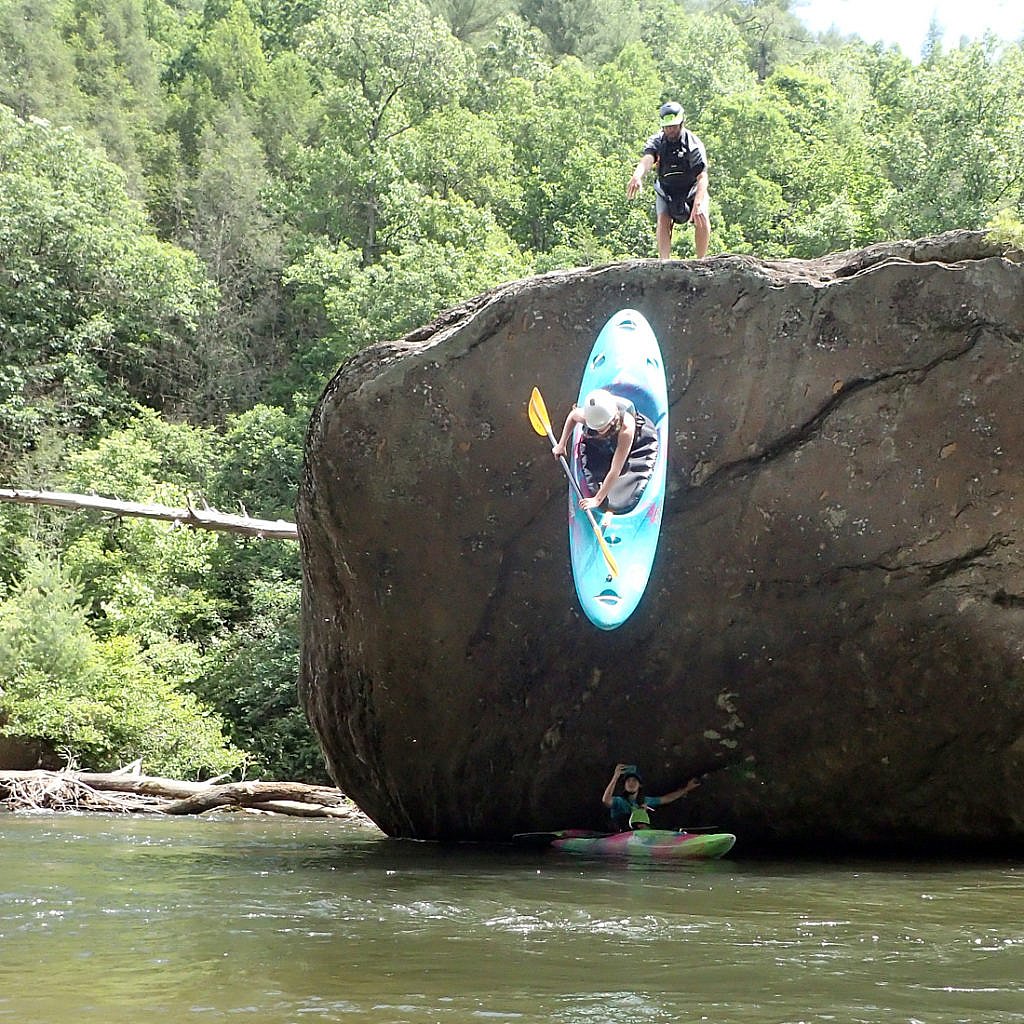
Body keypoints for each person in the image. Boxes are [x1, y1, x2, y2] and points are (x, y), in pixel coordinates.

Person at [551, 388, 659, 514]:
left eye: (602, 428)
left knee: (618, 466)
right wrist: (562, 443)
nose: (599, 431)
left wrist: (598, 499)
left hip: (631, 442)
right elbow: (572, 416)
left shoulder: (626, 428)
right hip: (604, 441)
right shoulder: (587, 416)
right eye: (596, 428)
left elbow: (615, 469)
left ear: (612, 419)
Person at [627, 101, 710, 260]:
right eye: (667, 127)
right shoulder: (657, 140)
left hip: (692, 188)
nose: (670, 130)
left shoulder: (693, 144)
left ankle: (702, 260)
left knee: (702, 216)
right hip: (667, 190)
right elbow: (648, 158)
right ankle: (664, 262)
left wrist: (698, 203)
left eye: (673, 126)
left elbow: (702, 177)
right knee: (663, 219)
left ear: (681, 123)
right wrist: (637, 175)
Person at [602, 763, 701, 832]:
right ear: (624, 785)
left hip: (642, 836)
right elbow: (606, 800)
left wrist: (687, 788)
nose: (631, 783)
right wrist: (616, 776)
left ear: (639, 785)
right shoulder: (619, 801)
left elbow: (667, 798)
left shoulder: (646, 801)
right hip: (621, 836)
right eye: (628, 781)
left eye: (634, 781)